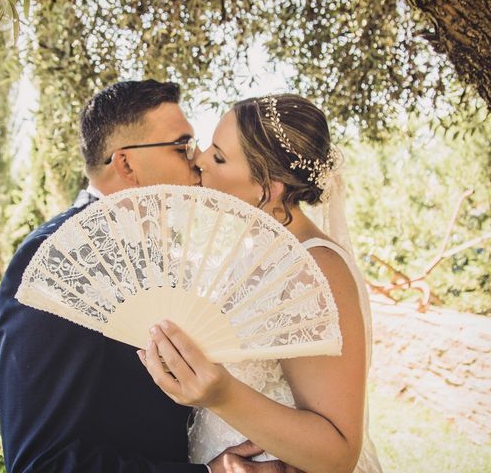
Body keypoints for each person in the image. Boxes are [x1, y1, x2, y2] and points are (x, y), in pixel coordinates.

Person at [0, 80, 278, 473]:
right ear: (126, 163)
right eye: (182, 146)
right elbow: (42, 463)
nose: (197, 161)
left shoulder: (159, 245)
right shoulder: (60, 259)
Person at [139, 94, 383, 472]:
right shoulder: (255, 250)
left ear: (268, 188)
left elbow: (339, 453)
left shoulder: (313, 269)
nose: (199, 159)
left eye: (219, 157)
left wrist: (221, 394)